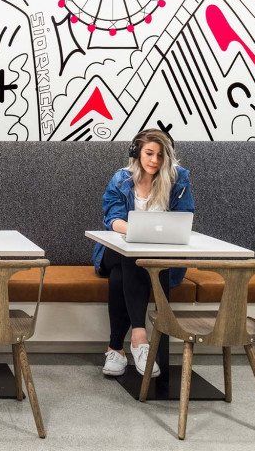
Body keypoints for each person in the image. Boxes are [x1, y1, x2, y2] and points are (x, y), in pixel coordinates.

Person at [93, 129, 194, 378]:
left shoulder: (178, 178)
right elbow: (112, 219)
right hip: (115, 251)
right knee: (130, 255)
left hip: (159, 258)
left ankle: (115, 349)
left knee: (123, 271)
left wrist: (150, 239)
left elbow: (185, 217)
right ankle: (139, 337)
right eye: (149, 153)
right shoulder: (121, 179)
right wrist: (137, 232)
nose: (154, 161)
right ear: (136, 152)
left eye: (161, 155)